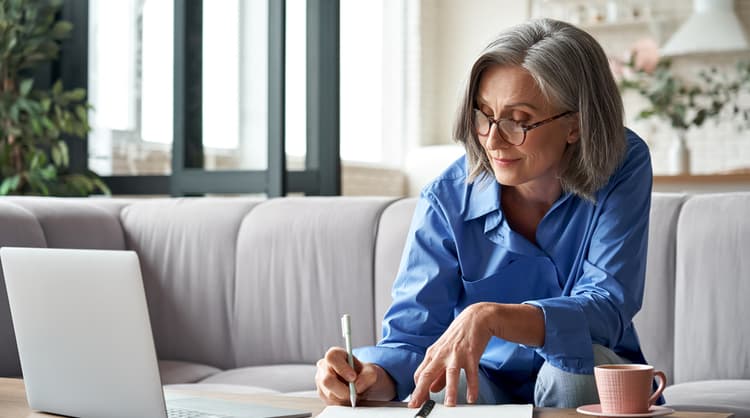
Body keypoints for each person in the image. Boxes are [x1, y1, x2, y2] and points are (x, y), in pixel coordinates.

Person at [315, 18, 653, 409]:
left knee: (573, 364)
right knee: (445, 380)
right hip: (485, 379)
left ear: (575, 125)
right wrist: (370, 378)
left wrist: (492, 316)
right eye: (483, 115)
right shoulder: (446, 198)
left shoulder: (622, 163)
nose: (492, 140)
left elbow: (607, 305)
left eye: (518, 121)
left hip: (585, 375)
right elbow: (412, 337)